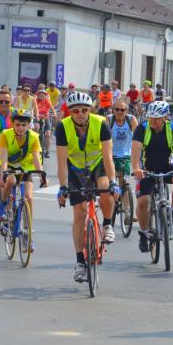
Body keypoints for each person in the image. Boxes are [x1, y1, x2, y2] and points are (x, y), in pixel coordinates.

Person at [55, 91, 119, 283]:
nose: (80, 114)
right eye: (75, 111)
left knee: (106, 189)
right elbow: (61, 162)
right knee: (79, 214)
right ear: (70, 112)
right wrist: (62, 187)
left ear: (90, 110)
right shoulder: (63, 127)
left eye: (84, 110)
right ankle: (80, 262)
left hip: (98, 164)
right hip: (75, 168)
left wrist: (114, 182)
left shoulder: (101, 123)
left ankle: (107, 224)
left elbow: (108, 156)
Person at [132, 101, 173, 253]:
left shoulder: (172, 128)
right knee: (143, 202)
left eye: (156, 118)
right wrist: (136, 168)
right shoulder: (142, 128)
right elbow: (135, 149)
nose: (152, 121)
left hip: (166, 166)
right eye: (150, 117)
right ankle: (144, 233)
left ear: (165, 117)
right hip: (146, 169)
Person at [0, 109, 44, 222]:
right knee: (11, 181)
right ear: (13, 125)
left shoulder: (34, 137)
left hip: (25, 166)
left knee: (29, 197)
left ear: (28, 125)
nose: (20, 128)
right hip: (9, 164)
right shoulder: (5, 135)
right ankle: (3, 204)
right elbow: (4, 159)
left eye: (23, 125)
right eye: (17, 125)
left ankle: (28, 225)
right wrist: (2, 177)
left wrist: (42, 175)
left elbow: (36, 158)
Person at [108, 99, 138, 188]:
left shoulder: (131, 119)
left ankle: (124, 193)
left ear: (126, 111)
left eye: (122, 110)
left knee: (123, 179)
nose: (119, 112)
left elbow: (138, 137)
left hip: (125, 154)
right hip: (110, 154)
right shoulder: (109, 119)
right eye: (117, 109)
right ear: (113, 110)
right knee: (110, 180)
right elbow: (104, 138)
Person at [35, 88, 56, 158]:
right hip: (37, 118)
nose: (42, 95)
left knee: (48, 134)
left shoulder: (47, 101)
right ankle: (35, 147)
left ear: (45, 95)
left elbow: (52, 108)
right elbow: (33, 109)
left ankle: (47, 151)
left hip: (46, 118)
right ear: (38, 95)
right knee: (36, 128)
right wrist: (36, 115)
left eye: (43, 94)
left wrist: (55, 114)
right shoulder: (35, 101)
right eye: (40, 94)